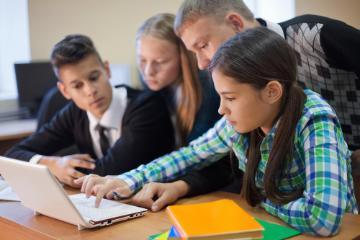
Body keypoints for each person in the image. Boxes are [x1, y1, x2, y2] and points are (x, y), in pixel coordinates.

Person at [77, 27, 358, 236]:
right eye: (220, 97)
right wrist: (129, 180)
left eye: (231, 98)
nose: (221, 109)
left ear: (272, 91)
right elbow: (191, 154)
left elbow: (323, 219)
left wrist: (263, 201)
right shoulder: (242, 121)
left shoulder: (315, 121)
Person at [122, 0, 360, 211]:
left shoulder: (314, 35)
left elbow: (323, 214)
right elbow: (205, 153)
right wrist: (129, 180)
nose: (202, 63)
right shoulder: (240, 96)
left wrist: (264, 202)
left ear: (235, 23)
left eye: (203, 45)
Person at [5, 34, 175, 188]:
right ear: (65, 91)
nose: (90, 91)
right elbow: (12, 156)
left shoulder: (146, 106)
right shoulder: (74, 113)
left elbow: (109, 172)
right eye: (77, 86)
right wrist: (51, 164)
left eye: (94, 77)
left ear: (107, 70)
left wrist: (62, 169)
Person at [133, 13, 242, 200]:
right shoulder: (154, 88)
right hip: (176, 185)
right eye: (142, 60)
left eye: (159, 62)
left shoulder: (210, 90)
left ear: (184, 56)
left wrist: (179, 187)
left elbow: (205, 157)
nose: (148, 71)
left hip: (217, 190)